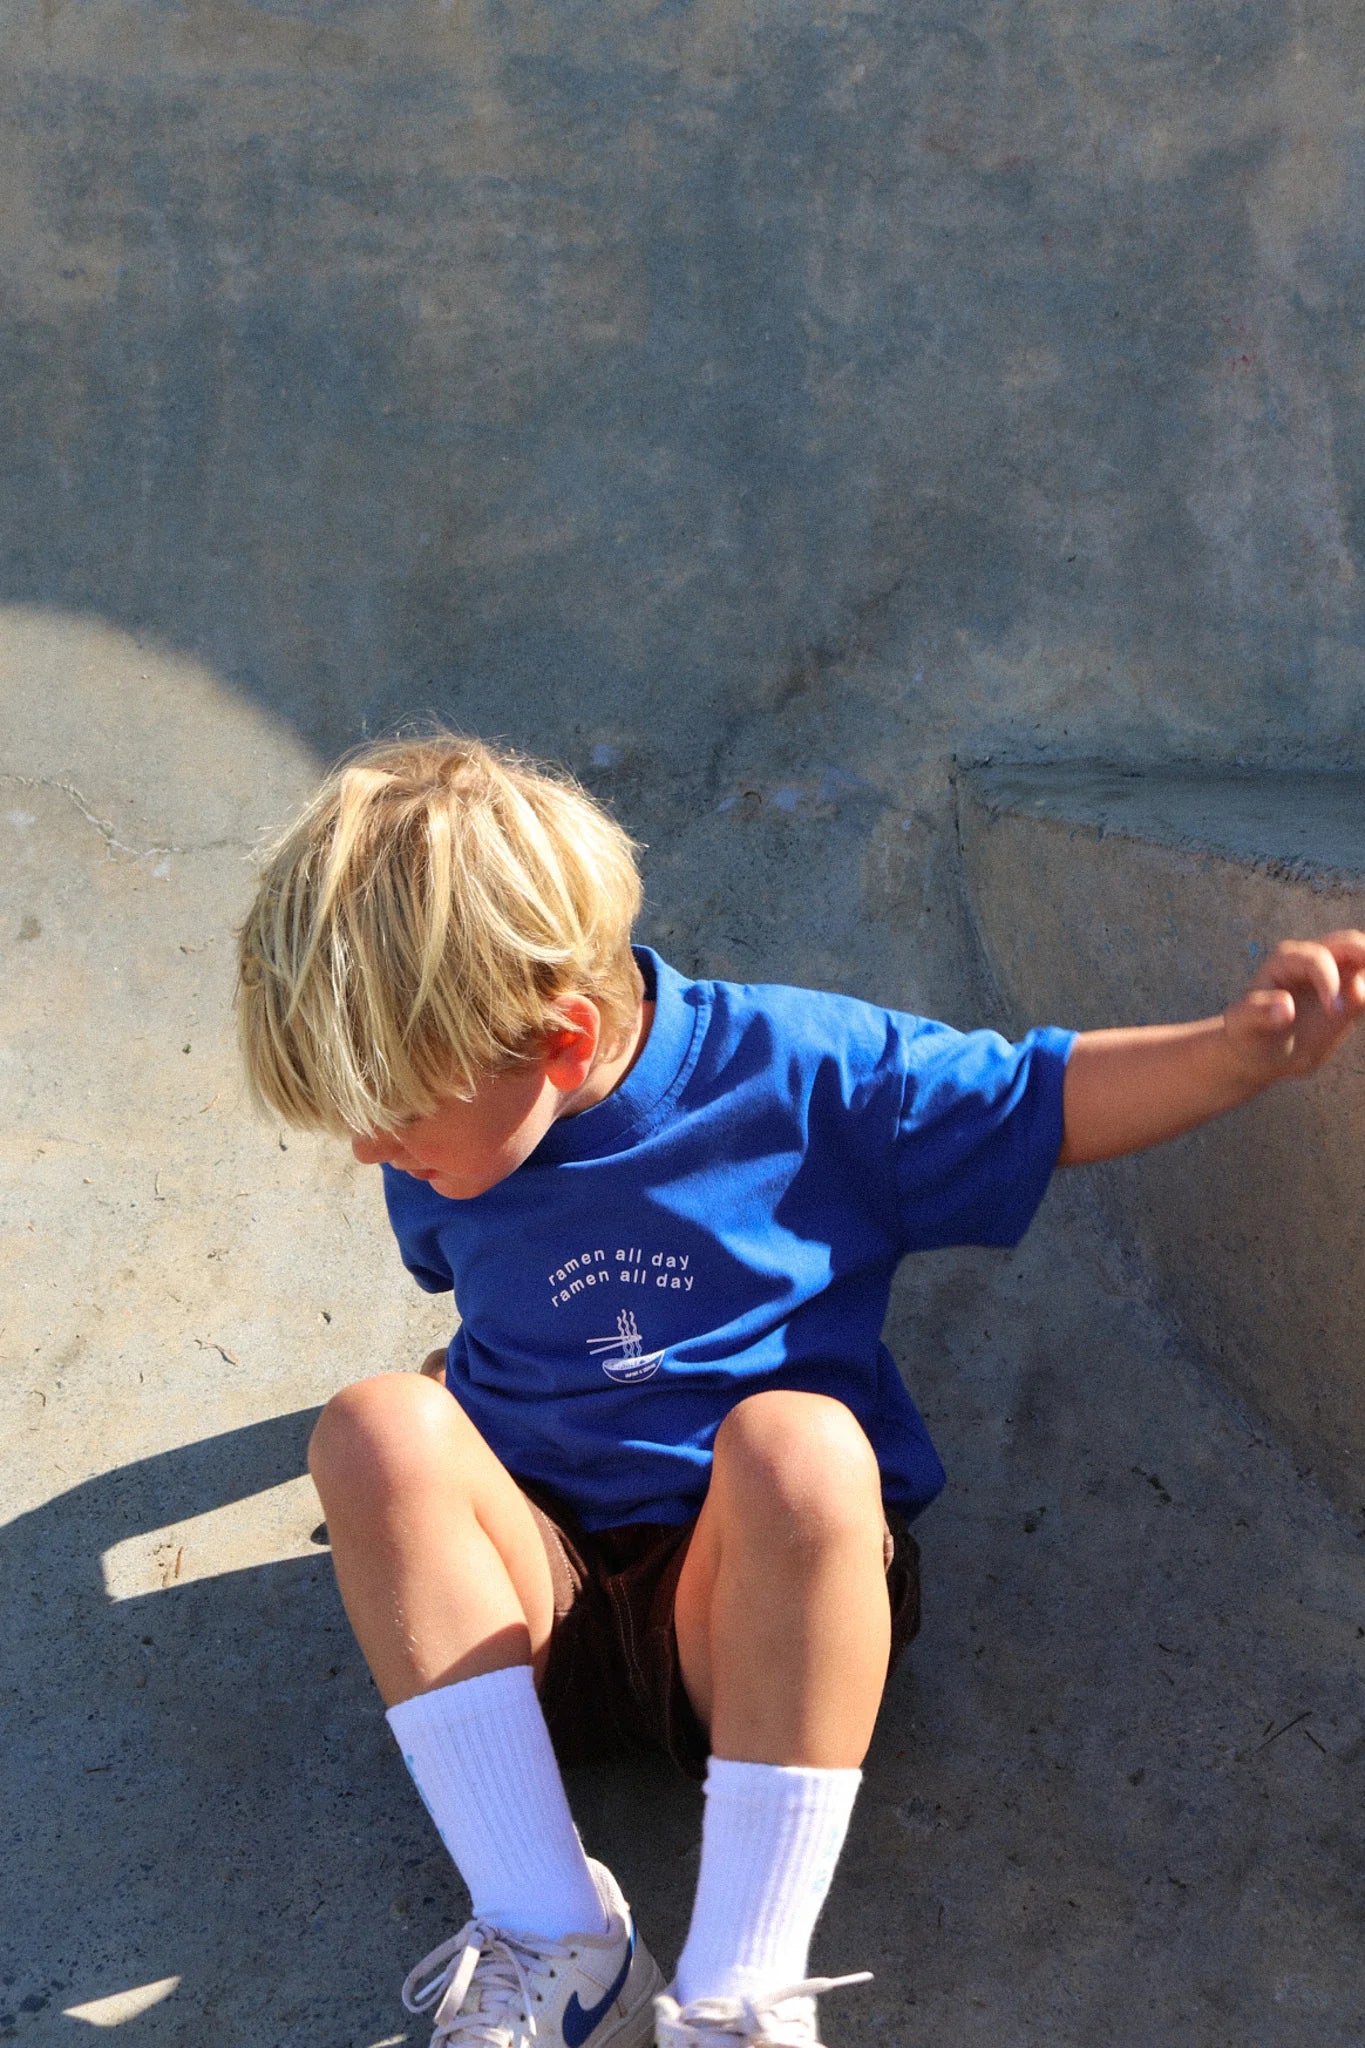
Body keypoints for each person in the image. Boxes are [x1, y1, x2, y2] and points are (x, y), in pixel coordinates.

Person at [235, 733, 1365, 2048]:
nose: (369, 1148)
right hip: (533, 1607)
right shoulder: (447, 1144)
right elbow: (485, 1318)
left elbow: (1036, 1098)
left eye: (393, 1116)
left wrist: (1233, 1052)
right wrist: (428, 1445)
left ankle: (739, 1990)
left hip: (759, 1626)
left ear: (560, 1042)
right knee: (373, 1423)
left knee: (798, 1447)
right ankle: (554, 1932)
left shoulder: (804, 1076)